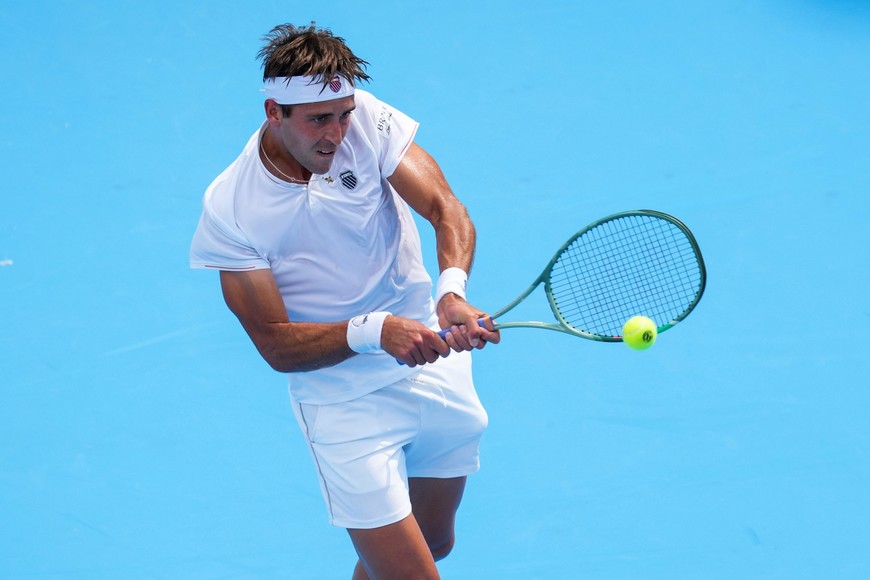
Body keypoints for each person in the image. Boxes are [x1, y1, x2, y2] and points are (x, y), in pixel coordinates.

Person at [189, 23, 500, 579]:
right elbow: (275, 345)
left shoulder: (367, 124)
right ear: (274, 111)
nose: (336, 133)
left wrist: (452, 291)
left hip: (435, 361)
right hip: (343, 402)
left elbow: (444, 207)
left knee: (434, 547)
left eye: (343, 114)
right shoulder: (231, 207)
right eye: (317, 120)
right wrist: (375, 331)